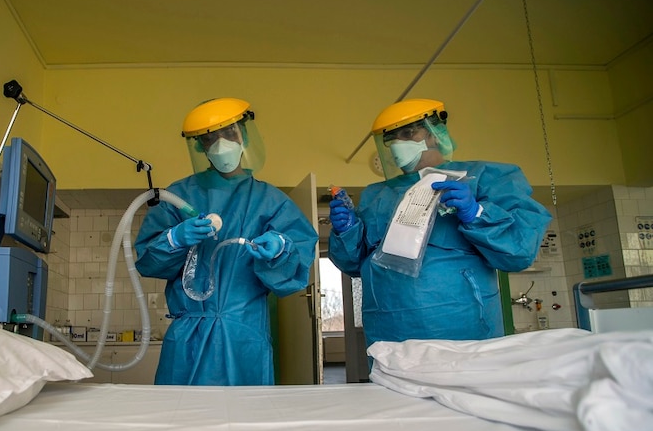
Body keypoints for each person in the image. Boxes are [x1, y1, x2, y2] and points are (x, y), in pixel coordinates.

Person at [328, 98, 552, 350]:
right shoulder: (376, 195)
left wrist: (476, 212)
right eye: (391, 139)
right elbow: (353, 264)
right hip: (389, 328)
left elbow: (518, 252)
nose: (398, 145)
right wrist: (347, 231)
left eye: (408, 133)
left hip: (460, 326)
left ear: (435, 134)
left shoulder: (484, 178)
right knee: (392, 387)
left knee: (462, 385)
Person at [134, 97, 318, 386]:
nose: (221, 144)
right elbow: (147, 260)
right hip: (189, 336)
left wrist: (281, 247)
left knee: (246, 420)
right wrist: (174, 237)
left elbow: (297, 263)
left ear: (244, 134)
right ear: (200, 146)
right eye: (210, 138)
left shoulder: (270, 201)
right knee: (184, 419)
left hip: (244, 333)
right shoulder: (178, 197)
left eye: (229, 133)